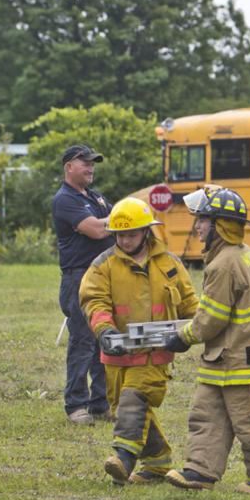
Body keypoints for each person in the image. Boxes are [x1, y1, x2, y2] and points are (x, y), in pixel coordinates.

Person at [162, 188, 250, 494]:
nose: (199, 226)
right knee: (206, 414)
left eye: (204, 220)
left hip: (246, 362)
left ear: (220, 225)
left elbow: (210, 320)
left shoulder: (225, 264)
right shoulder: (248, 255)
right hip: (225, 359)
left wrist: (182, 337)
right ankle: (199, 471)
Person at [79, 197, 198, 485]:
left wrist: (199, 330)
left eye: (131, 233)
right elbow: (94, 302)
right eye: (120, 234)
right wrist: (104, 331)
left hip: (156, 356)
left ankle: (123, 458)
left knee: (134, 400)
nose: (125, 239)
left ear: (146, 231)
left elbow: (191, 305)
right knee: (127, 409)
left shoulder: (169, 264)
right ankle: (157, 464)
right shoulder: (103, 266)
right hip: (117, 356)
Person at [51, 143, 115, 425]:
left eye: (93, 163)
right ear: (69, 167)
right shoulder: (65, 199)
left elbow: (113, 221)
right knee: (83, 341)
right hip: (78, 277)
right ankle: (76, 406)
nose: (90, 167)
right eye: (85, 162)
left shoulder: (95, 197)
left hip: (103, 276)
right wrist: (127, 223)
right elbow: (97, 229)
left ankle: (101, 404)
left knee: (104, 338)